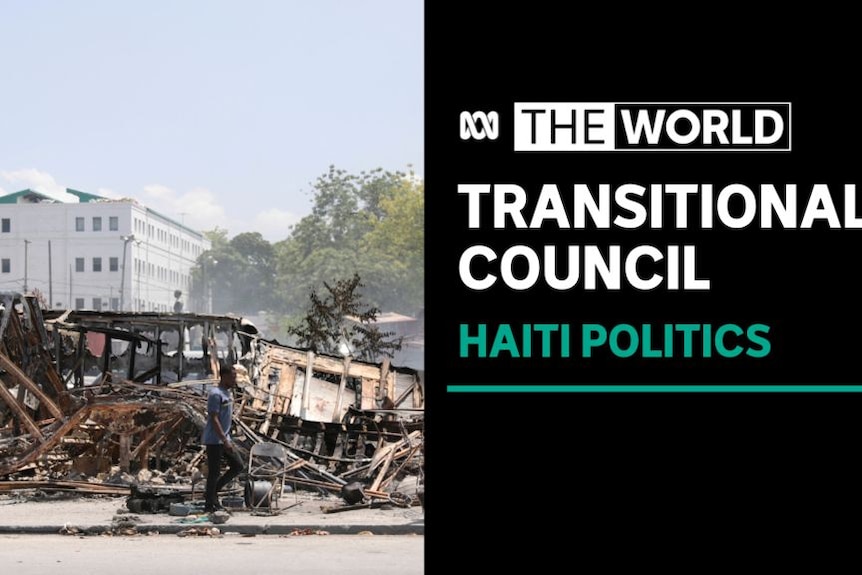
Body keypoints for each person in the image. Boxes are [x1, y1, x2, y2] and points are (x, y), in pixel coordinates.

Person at [202, 363, 244, 513]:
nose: (235, 380)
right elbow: (214, 419)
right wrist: (224, 440)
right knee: (214, 472)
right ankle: (209, 505)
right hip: (215, 440)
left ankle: (213, 493)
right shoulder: (215, 394)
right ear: (224, 377)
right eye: (232, 377)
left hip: (225, 438)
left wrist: (228, 437)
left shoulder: (228, 393)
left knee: (238, 465)